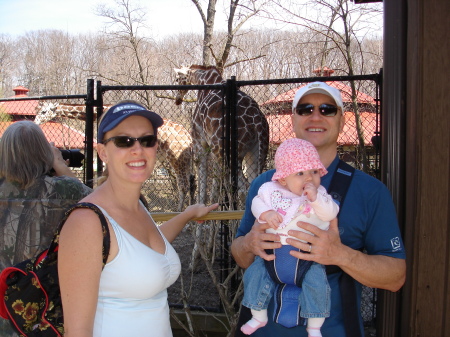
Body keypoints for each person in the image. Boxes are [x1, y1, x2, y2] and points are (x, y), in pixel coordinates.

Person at [231, 82, 406, 337]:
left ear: (342, 120)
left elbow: (395, 277)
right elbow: (239, 255)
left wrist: (340, 255)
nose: (316, 116)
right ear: (293, 119)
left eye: (327, 109)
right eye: (304, 109)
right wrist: (248, 244)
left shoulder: (369, 192)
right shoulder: (266, 185)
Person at [57, 100, 219, 337]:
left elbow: (142, 251)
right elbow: (77, 331)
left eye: (147, 140)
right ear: (103, 152)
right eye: (124, 141)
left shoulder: (138, 207)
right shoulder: (86, 222)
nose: (138, 149)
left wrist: (186, 215)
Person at [0, 120, 92, 336]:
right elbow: (99, 206)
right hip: (46, 306)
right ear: (44, 153)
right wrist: (60, 165)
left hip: (4, 305)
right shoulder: (63, 189)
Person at [241, 138, 339, 336]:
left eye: (314, 171)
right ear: (284, 179)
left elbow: (330, 213)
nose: (309, 178)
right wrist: (266, 213)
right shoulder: (270, 190)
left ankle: (314, 326)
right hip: (272, 256)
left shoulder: (321, 194)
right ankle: (258, 317)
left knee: (317, 286)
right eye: (300, 173)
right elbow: (257, 203)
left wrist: (316, 200)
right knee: (254, 276)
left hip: (307, 259)